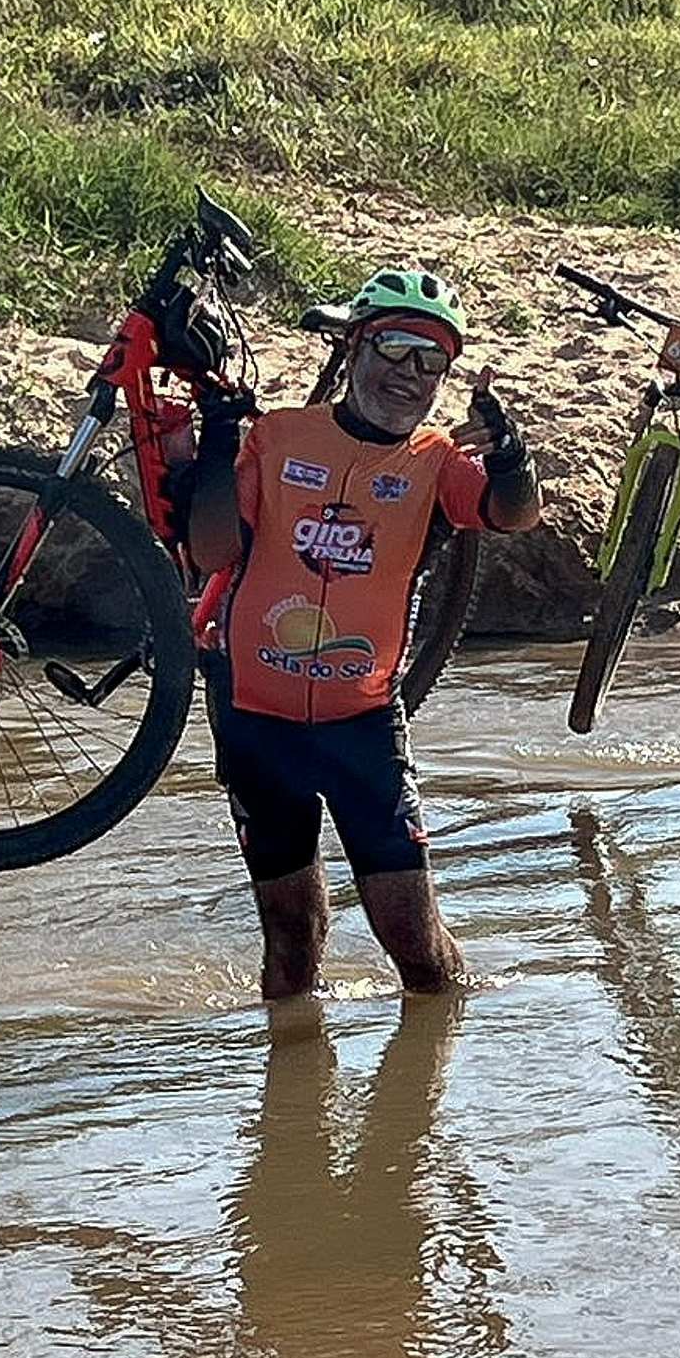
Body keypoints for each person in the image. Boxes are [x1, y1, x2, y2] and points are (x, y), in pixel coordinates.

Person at [187, 267, 541, 997]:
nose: (410, 373)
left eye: (432, 360)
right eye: (395, 346)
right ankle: (292, 1067)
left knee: (416, 948)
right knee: (289, 945)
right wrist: (220, 442)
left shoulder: (437, 462)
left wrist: (511, 454)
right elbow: (212, 550)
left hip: (363, 727)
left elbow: (514, 514)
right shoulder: (280, 436)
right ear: (354, 346)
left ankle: (438, 1059)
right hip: (255, 723)